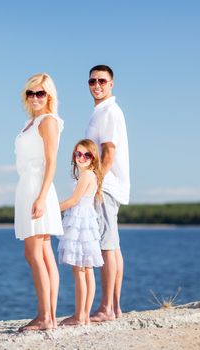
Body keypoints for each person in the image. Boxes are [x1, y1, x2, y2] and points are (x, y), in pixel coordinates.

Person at [14, 73, 64, 331]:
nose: (35, 98)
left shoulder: (48, 121)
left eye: (40, 93)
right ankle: (49, 316)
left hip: (37, 188)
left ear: (49, 96)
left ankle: (45, 317)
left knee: (34, 253)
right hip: (27, 186)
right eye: (30, 93)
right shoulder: (31, 122)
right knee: (43, 255)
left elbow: (52, 161)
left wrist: (42, 196)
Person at [85, 65, 130, 321]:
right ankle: (114, 306)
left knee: (107, 246)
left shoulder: (110, 112)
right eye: (92, 81)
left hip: (106, 186)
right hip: (108, 185)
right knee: (113, 246)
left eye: (102, 80)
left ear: (112, 84)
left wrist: (95, 183)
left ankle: (106, 309)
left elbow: (109, 153)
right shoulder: (100, 112)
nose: (97, 85)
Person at [57, 139, 104, 326]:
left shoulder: (86, 177)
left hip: (80, 224)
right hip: (87, 223)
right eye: (78, 154)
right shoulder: (91, 176)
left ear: (93, 158)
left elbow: (74, 200)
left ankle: (79, 315)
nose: (81, 158)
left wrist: (52, 209)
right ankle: (84, 315)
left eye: (86, 155)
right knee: (87, 270)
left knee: (79, 270)